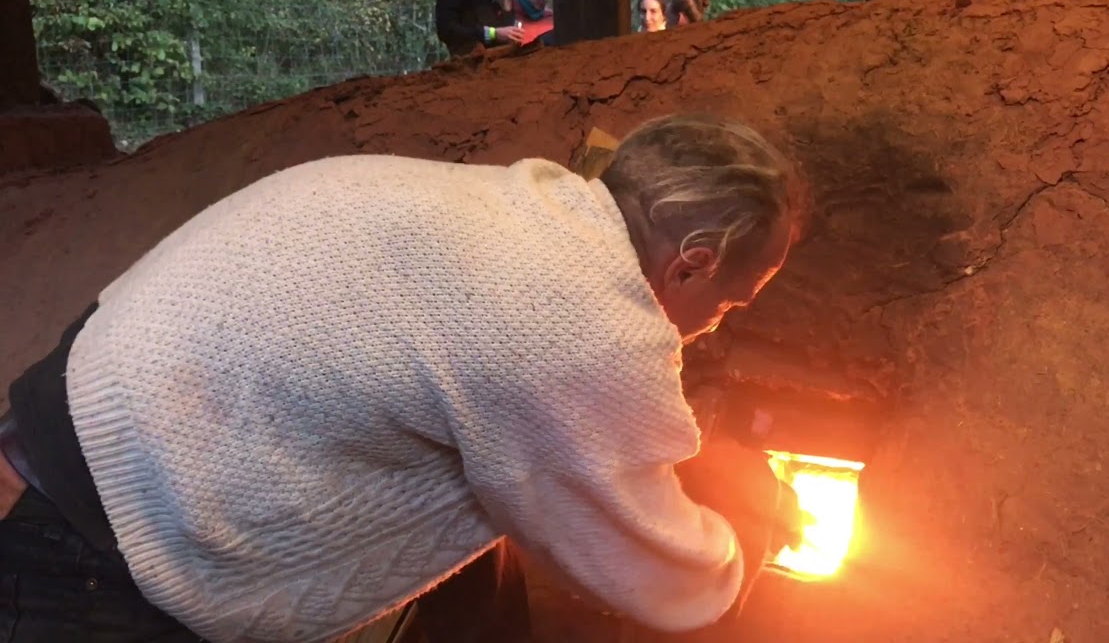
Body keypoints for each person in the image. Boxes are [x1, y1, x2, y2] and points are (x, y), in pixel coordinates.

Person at [0, 113, 809, 643]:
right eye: (730, 302)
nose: (714, 323)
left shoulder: (529, 208)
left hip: (66, 418)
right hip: (102, 531)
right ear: (693, 261)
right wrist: (748, 529)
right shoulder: (580, 324)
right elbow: (652, 569)